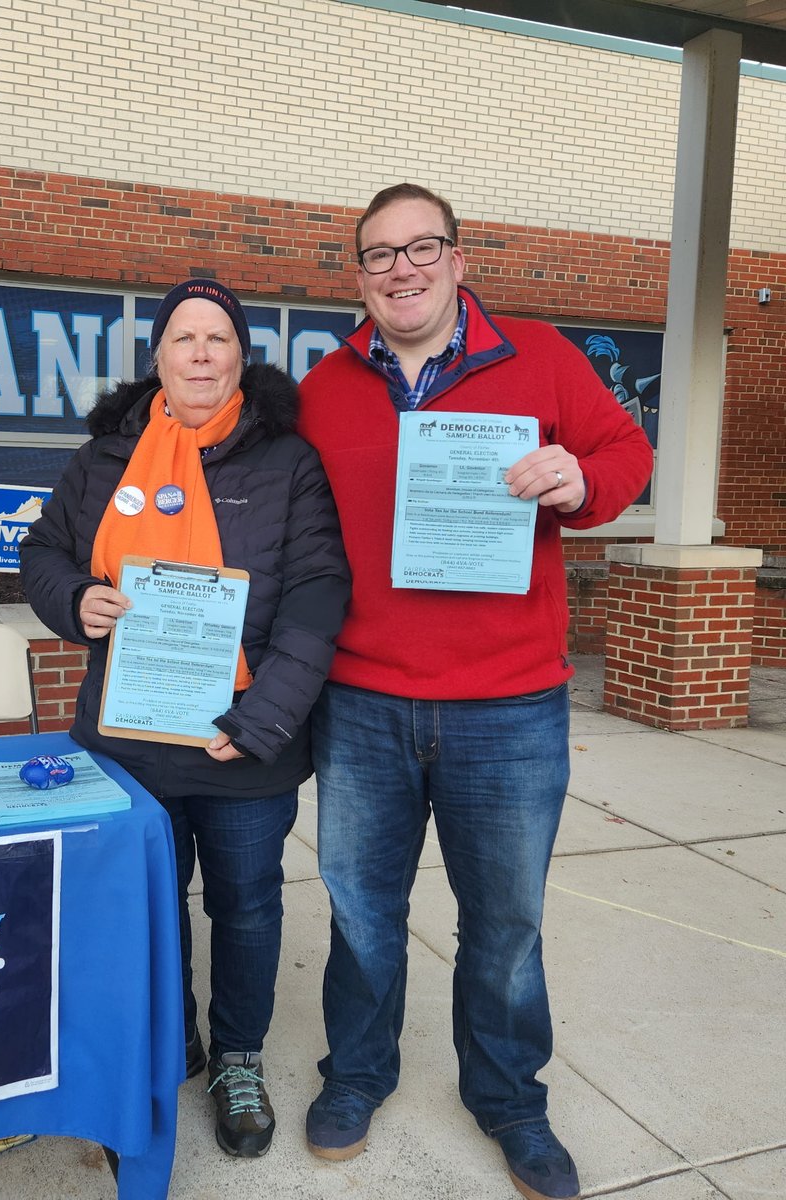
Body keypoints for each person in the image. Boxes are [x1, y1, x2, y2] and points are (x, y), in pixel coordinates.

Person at [295, 184, 653, 1200]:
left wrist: (579, 484)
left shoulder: (537, 355)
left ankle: (509, 1101)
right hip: (362, 702)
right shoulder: (324, 391)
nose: (401, 269)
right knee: (363, 912)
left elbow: (627, 454)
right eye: (379, 255)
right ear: (357, 275)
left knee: (504, 926)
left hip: (509, 706)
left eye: (421, 249)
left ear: (459, 260)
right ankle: (357, 1076)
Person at [21, 278, 350, 1158]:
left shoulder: (287, 462)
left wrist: (263, 719)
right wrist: (75, 599)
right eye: (184, 338)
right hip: (129, 742)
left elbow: (318, 599)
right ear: (158, 356)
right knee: (149, 907)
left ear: (242, 356)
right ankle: (174, 1039)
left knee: (245, 908)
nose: (201, 354)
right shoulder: (103, 459)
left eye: (218, 340)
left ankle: (238, 1056)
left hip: (242, 744)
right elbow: (42, 550)